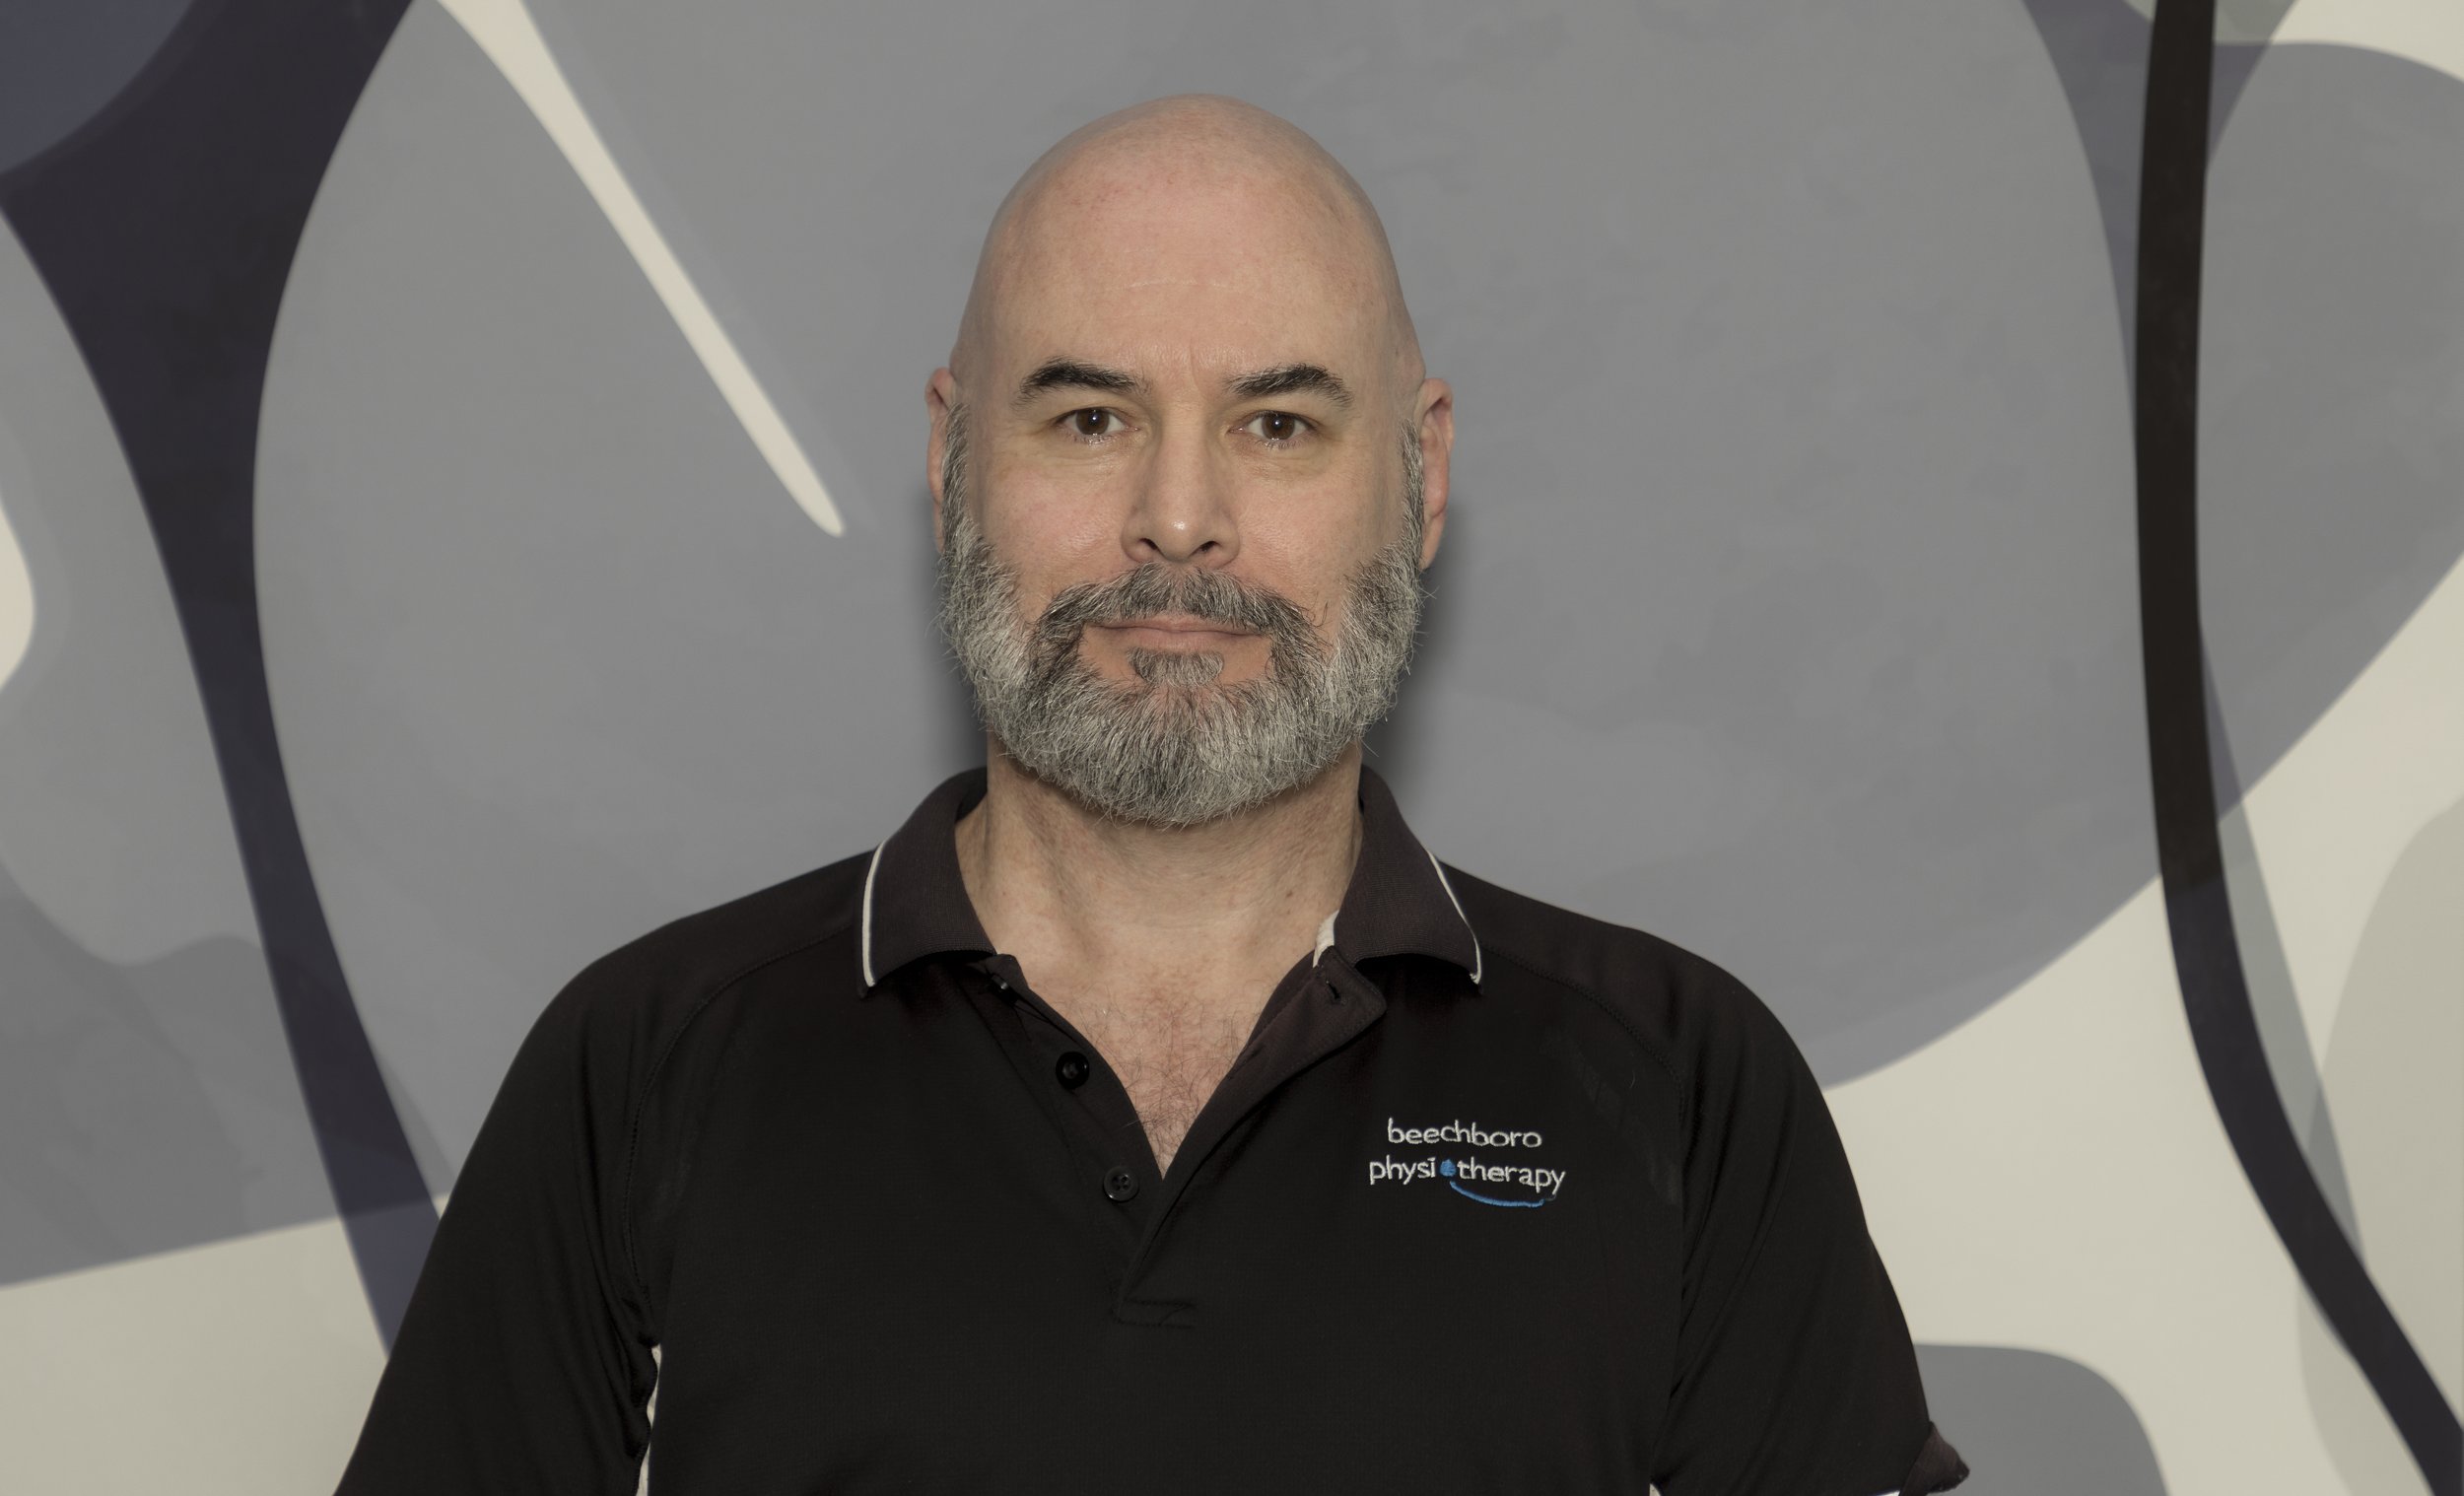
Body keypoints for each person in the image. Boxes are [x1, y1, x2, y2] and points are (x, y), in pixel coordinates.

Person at [336, 95, 1966, 1495]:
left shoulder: (1681, 1083)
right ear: (952, 455)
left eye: (1276, 421)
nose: (1178, 520)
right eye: (1091, 414)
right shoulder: (645, 1068)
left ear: (1421, 477)